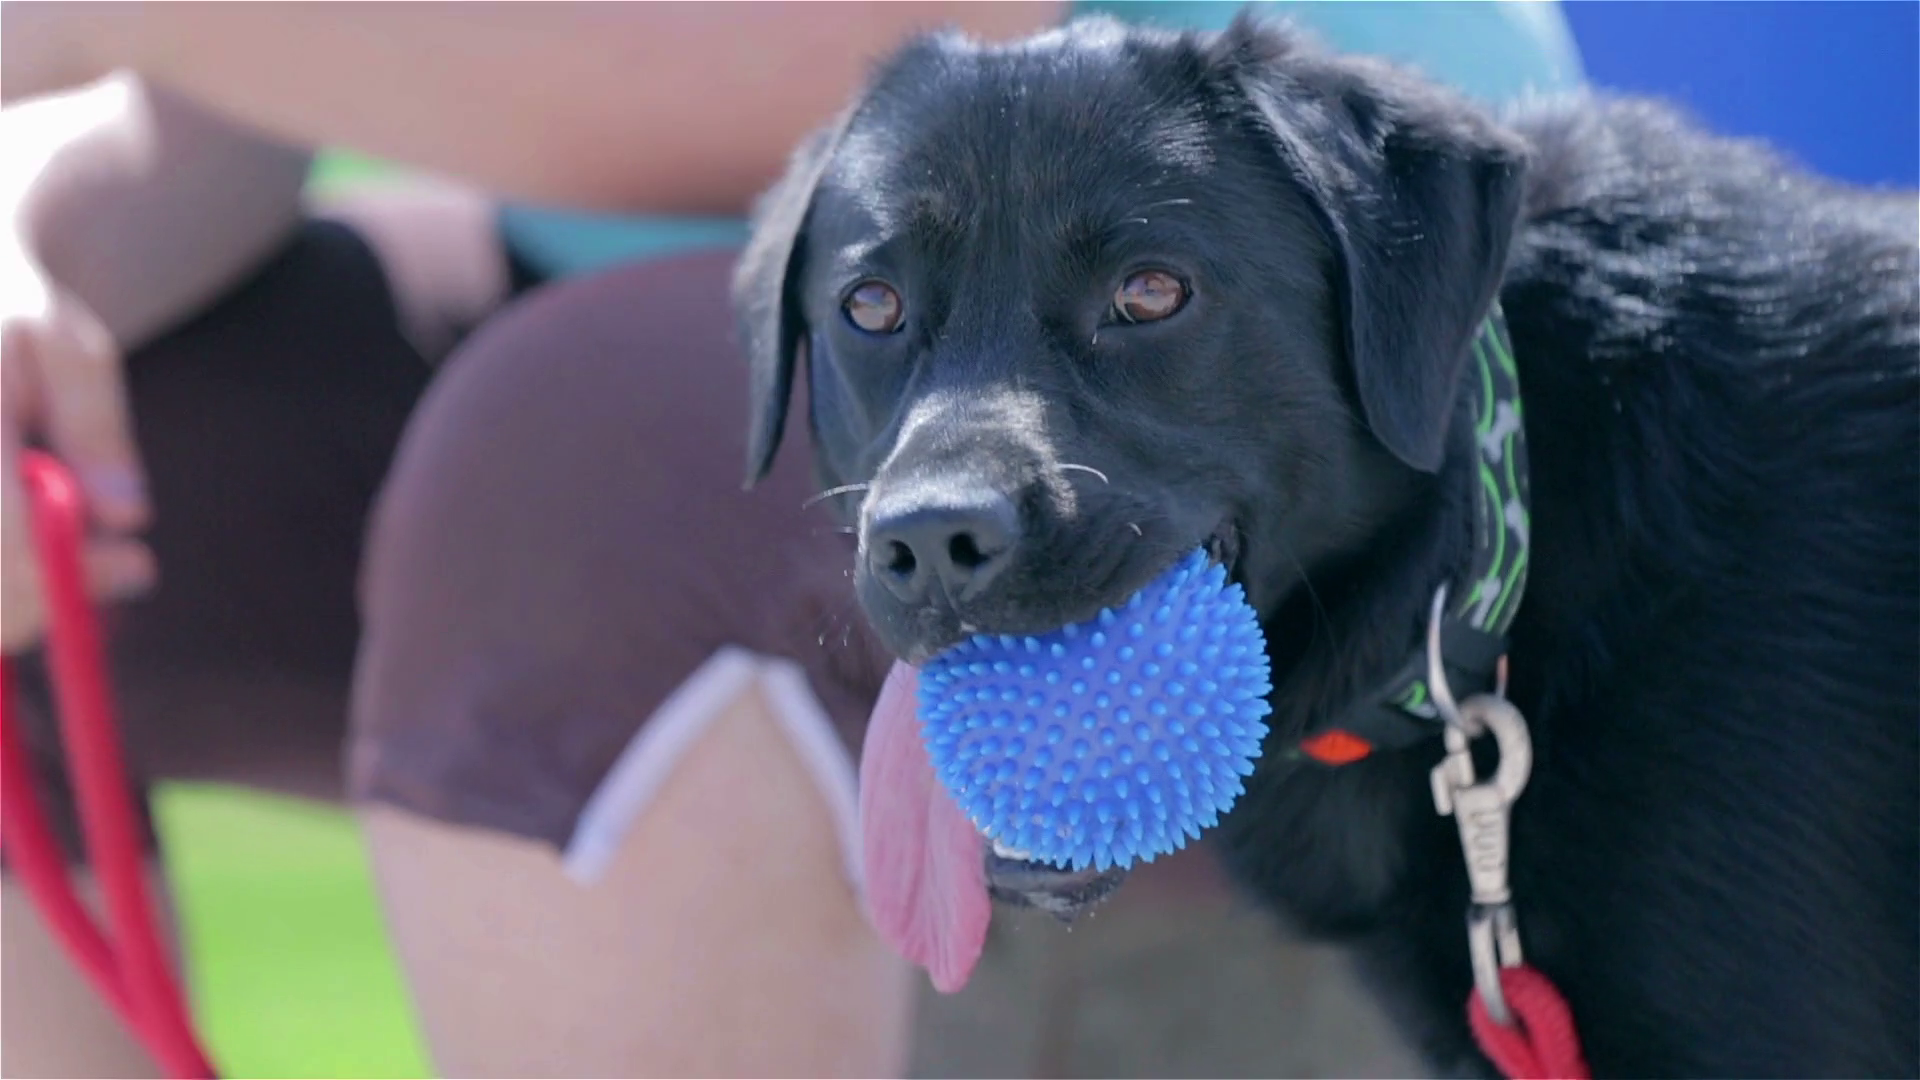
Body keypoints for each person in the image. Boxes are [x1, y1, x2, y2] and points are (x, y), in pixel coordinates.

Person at [0, 3, 1584, 1076]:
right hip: (747, 290)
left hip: (1306, 394)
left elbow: (869, 43)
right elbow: (245, 96)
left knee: (577, 482)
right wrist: (27, 249)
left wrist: (92, 8)